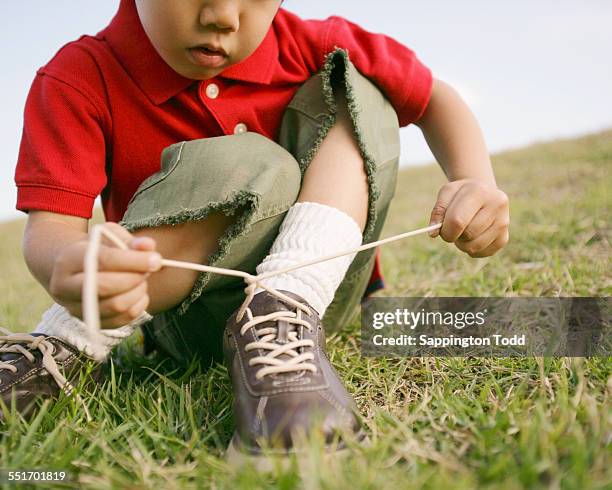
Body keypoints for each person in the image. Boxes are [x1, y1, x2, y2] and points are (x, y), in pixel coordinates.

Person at [2, 0, 509, 465]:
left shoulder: (313, 43)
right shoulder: (79, 76)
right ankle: (63, 346)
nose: (223, 15)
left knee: (358, 82)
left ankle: (284, 308)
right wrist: (76, 271)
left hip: (321, 298)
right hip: (179, 315)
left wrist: (475, 182)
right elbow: (53, 230)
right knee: (255, 164)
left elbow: (434, 96)